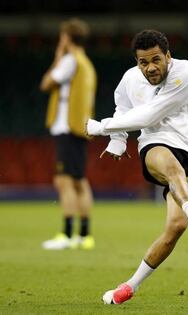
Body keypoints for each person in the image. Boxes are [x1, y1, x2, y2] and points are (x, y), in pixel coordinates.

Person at [87, 29, 188, 305]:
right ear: (137, 62)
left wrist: (100, 127)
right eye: (143, 62)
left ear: (168, 56)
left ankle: (130, 285)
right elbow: (123, 107)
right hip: (155, 144)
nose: (150, 67)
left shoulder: (185, 73)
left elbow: (149, 113)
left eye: (156, 60)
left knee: (175, 227)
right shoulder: (131, 79)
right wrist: (118, 142)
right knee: (171, 168)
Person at [39, 18, 97, 250]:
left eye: (62, 36)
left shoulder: (70, 61)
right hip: (79, 127)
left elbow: (46, 83)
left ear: (67, 38)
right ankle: (84, 235)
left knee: (64, 181)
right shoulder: (86, 63)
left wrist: (57, 56)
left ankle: (67, 234)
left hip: (68, 126)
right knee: (78, 181)